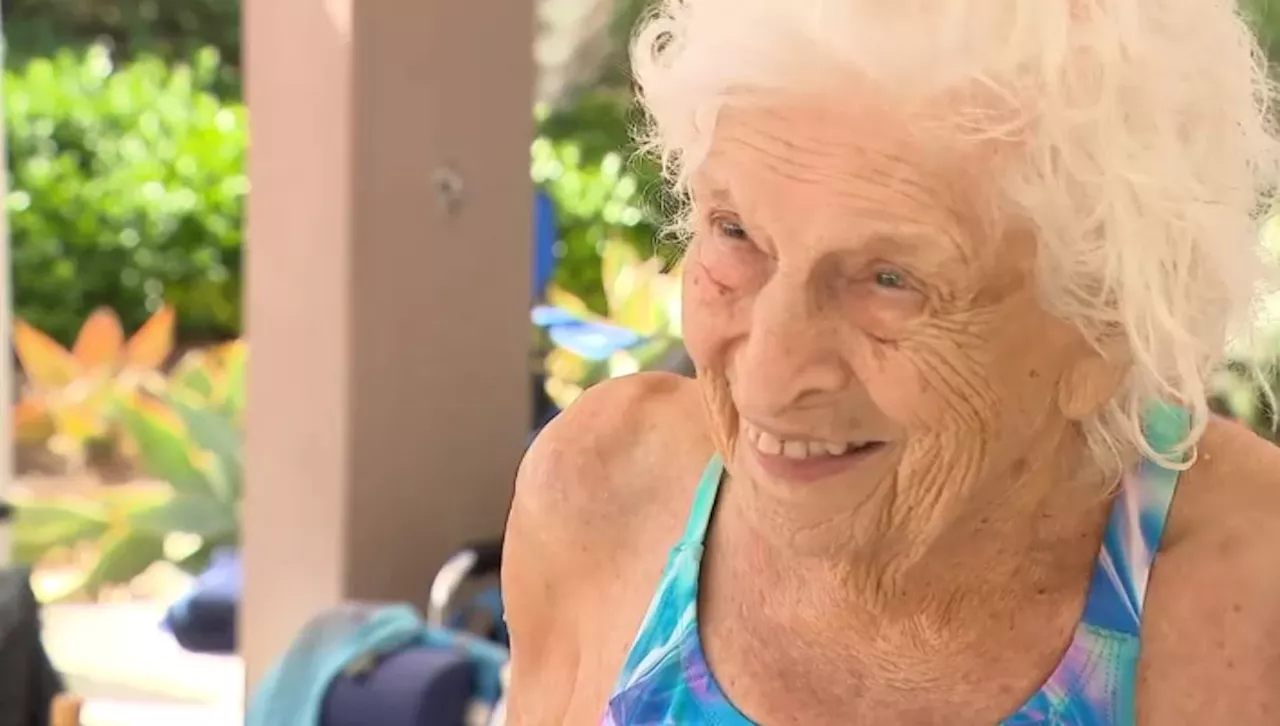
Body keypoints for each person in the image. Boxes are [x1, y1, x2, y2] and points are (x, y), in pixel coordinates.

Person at [502, 2, 1280, 724]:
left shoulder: (1252, 601)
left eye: (891, 281)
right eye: (735, 231)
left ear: (1108, 330)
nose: (769, 378)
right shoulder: (600, 496)